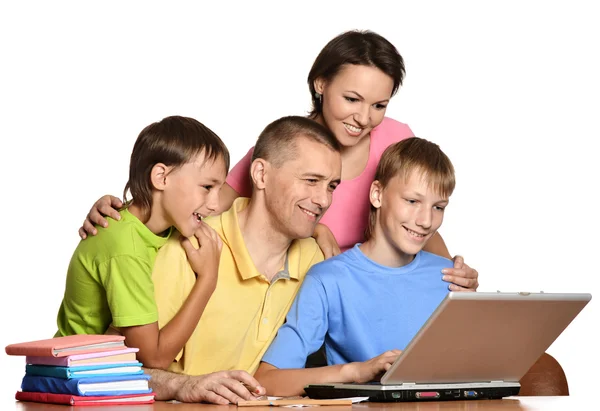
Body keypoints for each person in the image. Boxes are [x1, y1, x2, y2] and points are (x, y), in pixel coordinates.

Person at [78, 29, 479, 292]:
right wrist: (127, 208)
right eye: (352, 99)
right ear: (321, 85)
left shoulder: (395, 137)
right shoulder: (284, 151)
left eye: (379, 104)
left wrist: (450, 273)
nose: (363, 118)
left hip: (372, 288)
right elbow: (204, 203)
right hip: (300, 289)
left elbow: (416, 215)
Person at [134, 115, 342, 404]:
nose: (324, 200)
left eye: (332, 186)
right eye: (311, 181)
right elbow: (117, 366)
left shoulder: (316, 260)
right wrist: (184, 385)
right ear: (260, 175)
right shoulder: (189, 247)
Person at [254, 137, 458, 396]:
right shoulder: (327, 279)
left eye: (438, 207)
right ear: (377, 194)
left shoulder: (451, 277)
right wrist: (354, 372)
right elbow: (268, 380)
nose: (426, 220)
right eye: (412, 201)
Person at [55, 116, 231, 371]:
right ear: (161, 177)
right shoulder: (126, 247)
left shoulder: (161, 227)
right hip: (75, 377)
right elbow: (154, 358)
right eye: (206, 187)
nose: (215, 204)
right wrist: (208, 280)